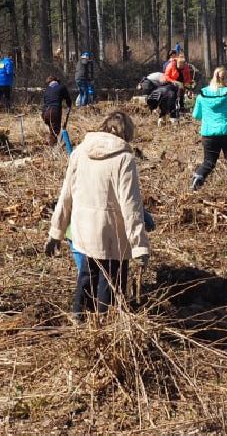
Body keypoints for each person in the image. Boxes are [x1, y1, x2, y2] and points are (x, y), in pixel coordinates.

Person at [45, 110, 150, 316]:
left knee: (87, 274)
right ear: (127, 133)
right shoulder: (125, 159)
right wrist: (139, 246)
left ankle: (80, 317)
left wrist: (56, 232)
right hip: (113, 235)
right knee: (110, 280)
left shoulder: (79, 152)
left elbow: (66, 195)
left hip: (84, 230)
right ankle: (104, 325)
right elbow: (131, 206)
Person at [191, 66, 227, 194]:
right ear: (226, 79)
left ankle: (198, 176)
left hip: (209, 134)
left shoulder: (202, 95)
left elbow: (196, 115)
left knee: (209, 162)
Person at [42, 75, 73, 145]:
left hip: (45, 113)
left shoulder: (47, 89)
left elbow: (44, 102)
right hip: (54, 111)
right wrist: (69, 106)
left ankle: (51, 142)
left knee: (52, 129)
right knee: (55, 132)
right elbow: (68, 99)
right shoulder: (62, 87)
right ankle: (53, 149)